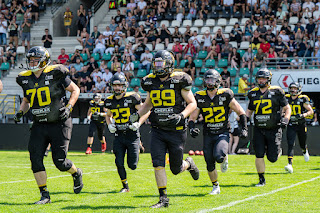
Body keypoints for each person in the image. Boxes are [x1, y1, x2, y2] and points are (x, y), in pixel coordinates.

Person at [129, 50, 199, 208]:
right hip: (158, 129)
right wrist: (137, 115)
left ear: (169, 64)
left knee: (176, 169)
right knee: (158, 163)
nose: (157, 66)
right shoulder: (150, 82)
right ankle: (163, 198)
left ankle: (188, 164)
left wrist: (182, 115)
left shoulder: (179, 80)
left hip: (176, 130)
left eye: (160, 63)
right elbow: (148, 104)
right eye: (156, 63)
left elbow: (192, 103)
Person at [14, 46, 83, 204]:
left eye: (36, 60)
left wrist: (69, 107)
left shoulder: (56, 74)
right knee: (35, 158)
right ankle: (44, 195)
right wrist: (20, 112)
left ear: (44, 60)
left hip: (59, 122)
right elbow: (26, 100)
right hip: (39, 124)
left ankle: (76, 172)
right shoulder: (25, 79)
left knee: (60, 162)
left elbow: (75, 90)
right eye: (30, 60)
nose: (32, 63)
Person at [189, 69, 248, 194]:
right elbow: (192, 117)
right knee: (209, 163)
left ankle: (225, 158)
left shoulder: (225, 94)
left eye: (212, 80)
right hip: (208, 132)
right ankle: (215, 186)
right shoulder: (200, 96)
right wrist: (191, 128)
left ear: (218, 81)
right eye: (208, 80)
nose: (210, 83)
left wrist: (244, 128)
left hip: (222, 131)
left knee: (219, 156)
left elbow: (240, 111)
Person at [246, 68, 291, 187]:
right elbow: (249, 111)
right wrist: (244, 123)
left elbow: (288, 108)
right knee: (259, 154)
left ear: (268, 79)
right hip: (259, 128)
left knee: (272, 158)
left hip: (274, 128)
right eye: (259, 78)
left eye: (263, 78)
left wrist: (286, 119)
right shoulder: (253, 93)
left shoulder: (277, 91)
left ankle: (277, 150)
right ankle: (261, 180)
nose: (261, 80)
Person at [105, 73, 150, 193]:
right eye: (115, 85)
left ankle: (138, 145)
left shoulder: (133, 97)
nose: (117, 88)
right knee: (118, 162)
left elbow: (146, 111)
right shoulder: (109, 101)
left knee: (132, 165)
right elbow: (108, 115)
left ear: (124, 86)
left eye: (119, 85)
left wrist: (138, 123)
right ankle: (125, 186)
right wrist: (109, 124)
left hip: (132, 135)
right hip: (119, 135)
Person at [284, 82, 313, 173]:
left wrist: (303, 115)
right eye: (292, 88)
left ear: (299, 89)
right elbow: (282, 110)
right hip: (291, 124)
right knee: (290, 144)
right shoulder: (286, 98)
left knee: (302, 143)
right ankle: (290, 164)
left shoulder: (303, 99)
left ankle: (304, 150)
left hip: (300, 125)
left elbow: (311, 111)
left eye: (295, 88)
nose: (293, 90)